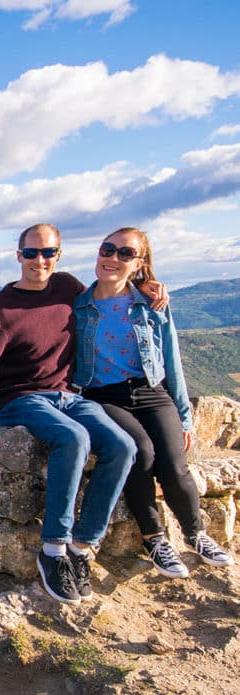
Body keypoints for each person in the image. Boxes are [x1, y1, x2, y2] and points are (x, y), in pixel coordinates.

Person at [0, 223, 164, 606]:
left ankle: (82, 547)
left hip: (69, 395)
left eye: (48, 252)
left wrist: (146, 288)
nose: (40, 260)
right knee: (73, 438)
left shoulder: (69, 288)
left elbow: (111, 291)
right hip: (21, 398)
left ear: (59, 255)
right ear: (18, 256)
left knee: (122, 445)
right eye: (32, 253)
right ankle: (53, 549)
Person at [73, 227, 233, 577]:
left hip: (151, 391)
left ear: (139, 263)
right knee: (140, 453)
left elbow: (171, 360)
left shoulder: (149, 303)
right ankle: (154, 538)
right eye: (108, 249)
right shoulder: (79, 305)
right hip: (103, 395)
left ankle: (196, 534)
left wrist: (185, 417)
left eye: (125, 253)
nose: (113, 258)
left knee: (175, 465)